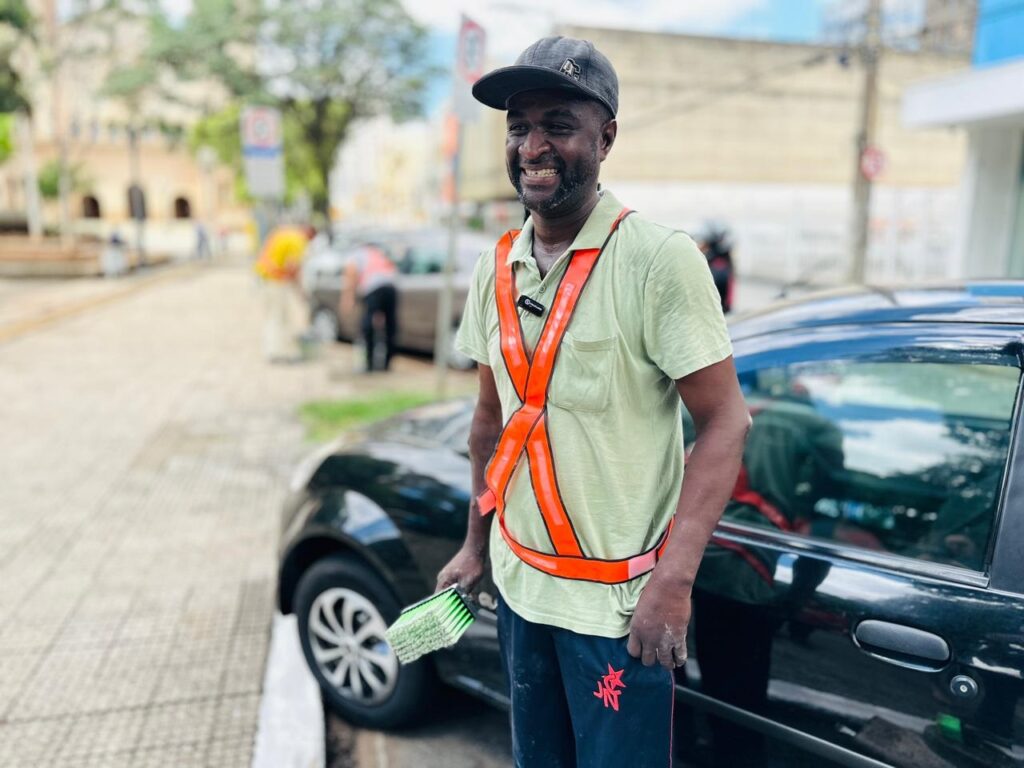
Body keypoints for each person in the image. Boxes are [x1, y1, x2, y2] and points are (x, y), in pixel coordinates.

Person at [435, 36, 751, 768]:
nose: (533, 146)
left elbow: (726, 421)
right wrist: (475, 544)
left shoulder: (659, 261)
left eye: (558, 124)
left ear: (605, 138)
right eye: (519, 126)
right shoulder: (495, 265)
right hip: (520, 591)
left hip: (616, 611)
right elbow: (493, 423)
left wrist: (672, 585)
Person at [254, 223, 314, 363]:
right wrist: (300, 290)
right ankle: (282, 353)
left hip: (265, 277)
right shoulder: (298, 241)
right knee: (282, 317)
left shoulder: (285, 232)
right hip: (277, 280)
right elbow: (293, 266)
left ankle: (272, 350)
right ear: (310, 235)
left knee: (272, 316)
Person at [340, 243, 398, 372]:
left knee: (368, 325)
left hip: (373, 287)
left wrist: (348, 298)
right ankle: (387, 363)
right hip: (391, 286)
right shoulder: (377, 252)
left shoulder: (354, 255)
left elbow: (351, 275)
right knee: (390, 325)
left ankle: (370, 363)